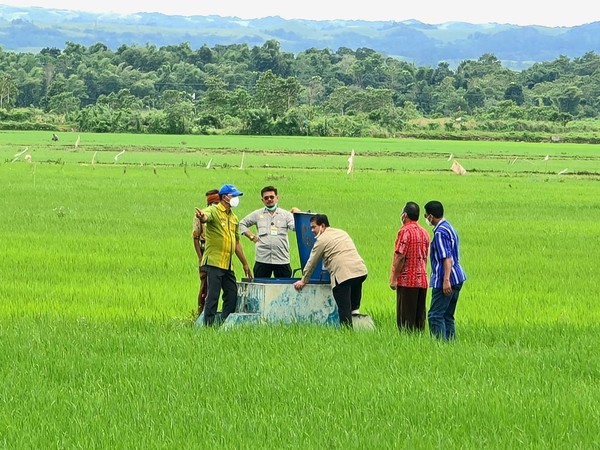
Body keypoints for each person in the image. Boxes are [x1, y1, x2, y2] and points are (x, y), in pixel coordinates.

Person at [293, 214, 367, 328]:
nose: (312, 230)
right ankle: (359, 323)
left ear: (322, 226)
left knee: (344, 308)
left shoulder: (321, 240)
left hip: (343, 275)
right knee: (354, 307)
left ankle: (347, 332)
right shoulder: (341, 232)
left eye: (313, 227)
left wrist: (303, 281)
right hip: (360, 271)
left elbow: (311, 262)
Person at [196, 184, 253, 326]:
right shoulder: (214, 211)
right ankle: (208, 325)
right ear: (224, 197)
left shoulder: (233, 218)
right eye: (233, 196)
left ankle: (224, 323)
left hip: (228, 264)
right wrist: (202, 217)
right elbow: (205, 216)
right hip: (214, 262)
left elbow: (237, 243)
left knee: (232, 294)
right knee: (213, 296)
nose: (235, 199)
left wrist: (245, 263)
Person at [424, 201, 467, 340]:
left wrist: (446, 280)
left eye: (426, 215)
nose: (426, 218)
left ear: (431, 216)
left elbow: (446, 258)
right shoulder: (449, 227)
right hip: (458, 277)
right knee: (447, 315)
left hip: (446, 279)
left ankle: (440, 347)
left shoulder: (440, 233)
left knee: (435, 316)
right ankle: (450, 346)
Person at [239, 186, 300, 278]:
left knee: (283, 289)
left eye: (272, 197)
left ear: (277, 198)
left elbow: (295, 227)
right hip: (262, 259)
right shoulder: (258, 214)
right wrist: (252, 237)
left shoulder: (286, 215)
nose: (269, 199)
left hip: (282, 259)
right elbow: (242, 224)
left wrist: (298, 215)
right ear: (262, 200)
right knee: (261, 288)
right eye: (266, 198)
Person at [389, 202, 430, 331]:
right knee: (419, 321)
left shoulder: (404, 231)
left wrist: (394, 278)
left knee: (405, 322)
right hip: (422, 281)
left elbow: (400, 256)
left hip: (407, 282)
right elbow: (425, 257)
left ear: (404, 215)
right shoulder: (424, 233)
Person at [192, 189, 220, 316]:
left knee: (216, 285)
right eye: (211, 202)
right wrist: (200, 258)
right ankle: (200, 312)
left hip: (219, 252)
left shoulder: (223, 213)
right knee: (204, 284)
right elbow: (195, 237)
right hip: (205, 251)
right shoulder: (201, 215)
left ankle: (212, 313)